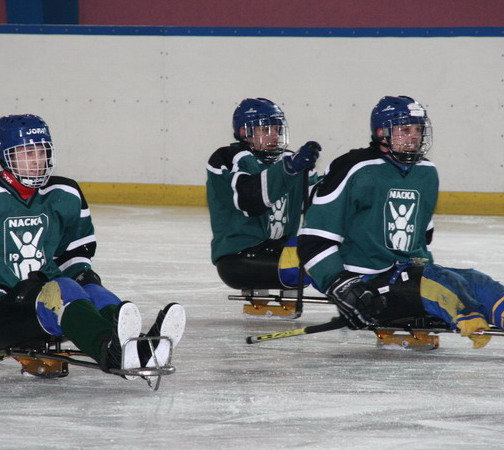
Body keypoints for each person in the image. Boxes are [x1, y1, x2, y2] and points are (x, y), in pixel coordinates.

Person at [0, 114, 186, 379]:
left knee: (89, 289)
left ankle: (137, 347)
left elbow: (73, 253)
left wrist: (82, 275)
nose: (37, 161)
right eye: (27, 153)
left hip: (58, 308)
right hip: (2, 313)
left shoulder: (64, 193)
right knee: (61, 289)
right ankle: (112, 351)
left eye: (42, 152)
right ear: (5, 155)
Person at [297, 95, 504, 348]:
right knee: (438, 285)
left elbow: (422, 236)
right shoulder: (353, 167)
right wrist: (341, 285)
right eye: (405, 130)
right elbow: (314, 239)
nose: (414, 136)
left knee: (475, 280)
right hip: (366, 283)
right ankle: (469, 318)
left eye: (418, 130)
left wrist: (422, 270)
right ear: (382, 132)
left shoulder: (427, 171)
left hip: (408, 273)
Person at [206, 98, 321, 290]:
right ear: (244, 132)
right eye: (265, 130)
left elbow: (318, 203)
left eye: (276, 129)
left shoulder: (288, 159)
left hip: (281, 251)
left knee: (334, 254)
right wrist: (289, 170)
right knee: (312, 264)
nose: (274, 135)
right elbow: (249, 200)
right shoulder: (228, 159)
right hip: (239, 259)